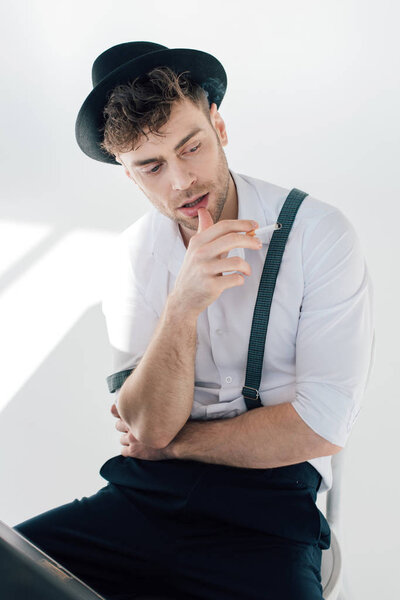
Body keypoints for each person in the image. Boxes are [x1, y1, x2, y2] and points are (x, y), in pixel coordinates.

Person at [14, 41, 375, 600]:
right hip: (144, 500)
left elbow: (320, 426)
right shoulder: (137, 253)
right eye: (152, 167)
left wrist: (174, 445)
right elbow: (144, 428)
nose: (181, 181)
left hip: (270, 516)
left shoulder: (318, 234)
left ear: (219, 126)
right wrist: (182, 305)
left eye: (192, 148)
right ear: (127, 176)